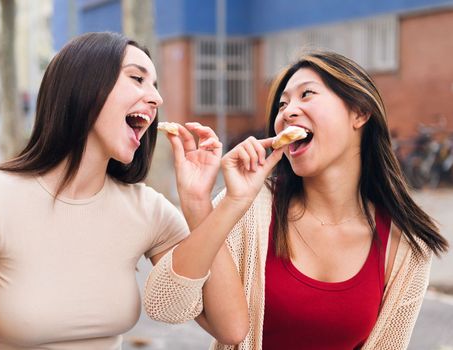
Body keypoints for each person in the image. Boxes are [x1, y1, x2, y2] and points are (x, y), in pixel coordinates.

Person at [144, 50, 449, 349]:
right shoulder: (250, 208)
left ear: (360, 112)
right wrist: (203, 204)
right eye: (282, 105)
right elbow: (166, 306)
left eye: (307, 95)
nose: (287, 112)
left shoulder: (406, 244)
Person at [0, 31, 228, 349]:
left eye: (156, 87)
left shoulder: (148, 210)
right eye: (137, 78)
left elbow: (229, 327)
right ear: (84, 85)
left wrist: (198, 202)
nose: (156, 99)